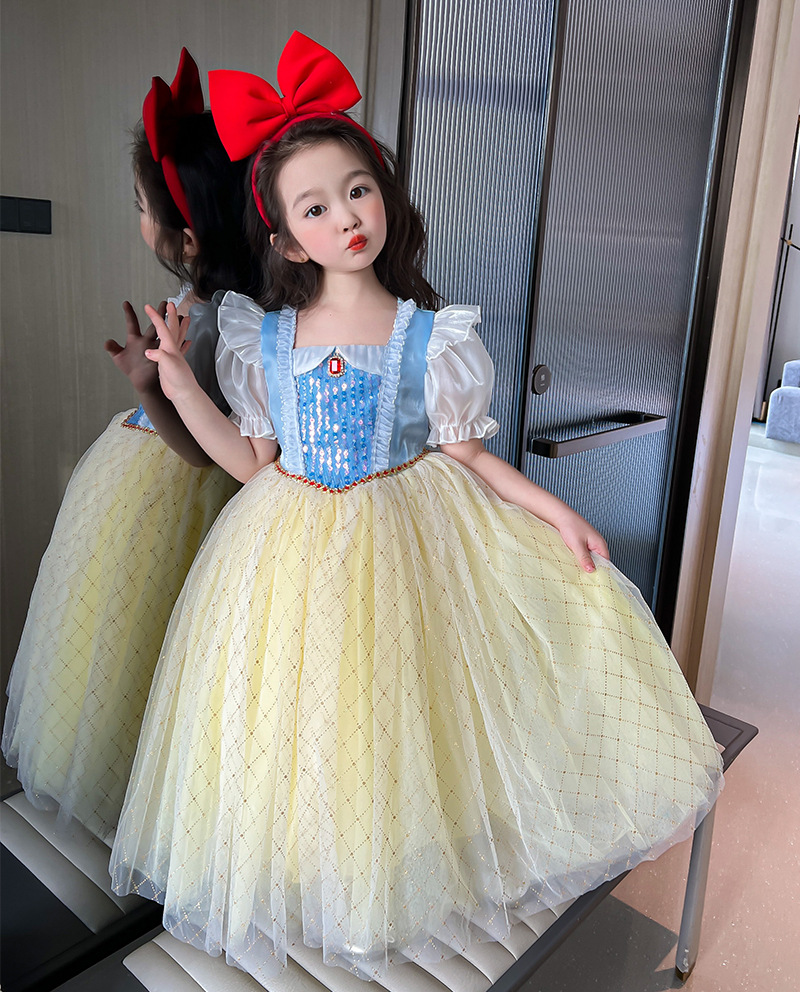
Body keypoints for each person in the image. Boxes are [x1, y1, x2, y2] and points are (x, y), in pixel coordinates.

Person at [110, 33, 723, 986]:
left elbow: (469, 457)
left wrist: (557, 514)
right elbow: (251, 465)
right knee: (293, 723)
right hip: (281, 552)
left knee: (397, 721)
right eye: (315, 206)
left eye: (358, 190)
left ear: (386, 197)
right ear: (285, 238)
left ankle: (386, 890)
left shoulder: (431, 336)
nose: (346, 217)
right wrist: (178, 385)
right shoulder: (262, 337)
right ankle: (308, 886)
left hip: (402, 545)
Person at [2, 49, 260, 845]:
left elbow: (202, 453)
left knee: (153, 653)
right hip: (144, 479)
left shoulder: (235, 323)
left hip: (179, 499)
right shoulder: (201, 299)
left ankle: (155, 821)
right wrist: (148, 379)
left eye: (142, 207)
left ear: (188, 234)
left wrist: (156, 385)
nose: (137, 219)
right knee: (120, 648)